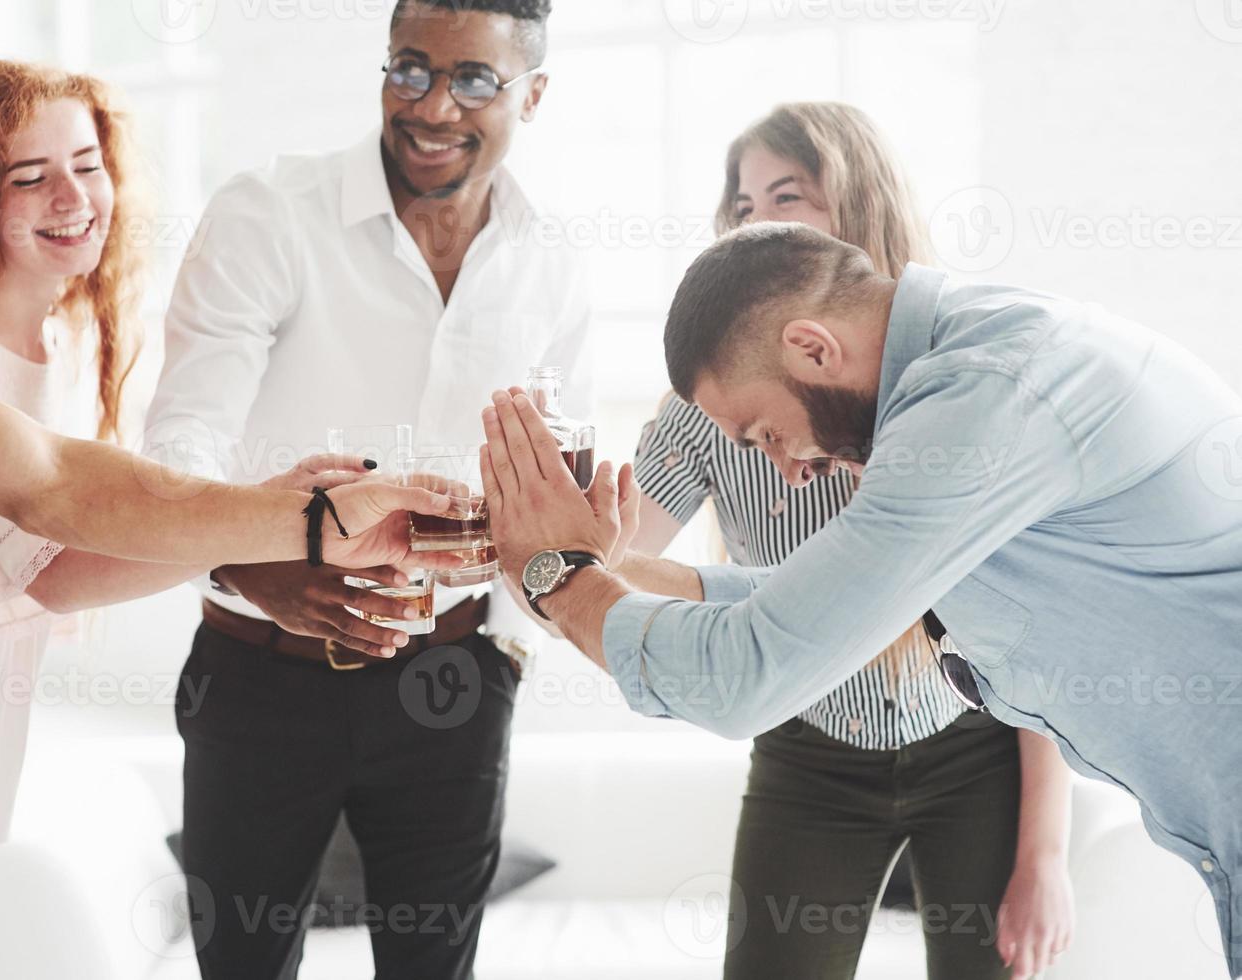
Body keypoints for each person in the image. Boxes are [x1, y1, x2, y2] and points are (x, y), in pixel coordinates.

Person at [0, 5, 452, 976]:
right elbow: (40, 558)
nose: (72, 194)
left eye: (87, 164)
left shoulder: (27, 344)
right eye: (29, 175)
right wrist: (285, 525)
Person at [479, 220, 1242, 979]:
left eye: (764, 434)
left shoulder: (985, 395)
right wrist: (611, 570)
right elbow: (820, 605)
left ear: (812, 347)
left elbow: (748, 677)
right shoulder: (972, 362)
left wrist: (557, 574)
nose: (787, 472)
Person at [142, 0, 590, 975]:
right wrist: (256, 568)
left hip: (453, 680)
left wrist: (507, 653)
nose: (431, 104)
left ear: (534, 92)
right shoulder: (270, 211)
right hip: (258, 672)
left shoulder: (549, 258)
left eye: (474, 79)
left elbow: (553, 475)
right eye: (408, 68)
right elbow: (180, 445)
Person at [631, 103, 1072, 979]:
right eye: (744, 206)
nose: (756, 223)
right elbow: (607, 552)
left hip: (974, 743)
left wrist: (1045, 858)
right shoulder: (709, 404)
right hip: (808, 752)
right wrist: (530, 536)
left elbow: (1038, 630)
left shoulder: (959, 385)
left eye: (784, 195)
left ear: (856, 205)